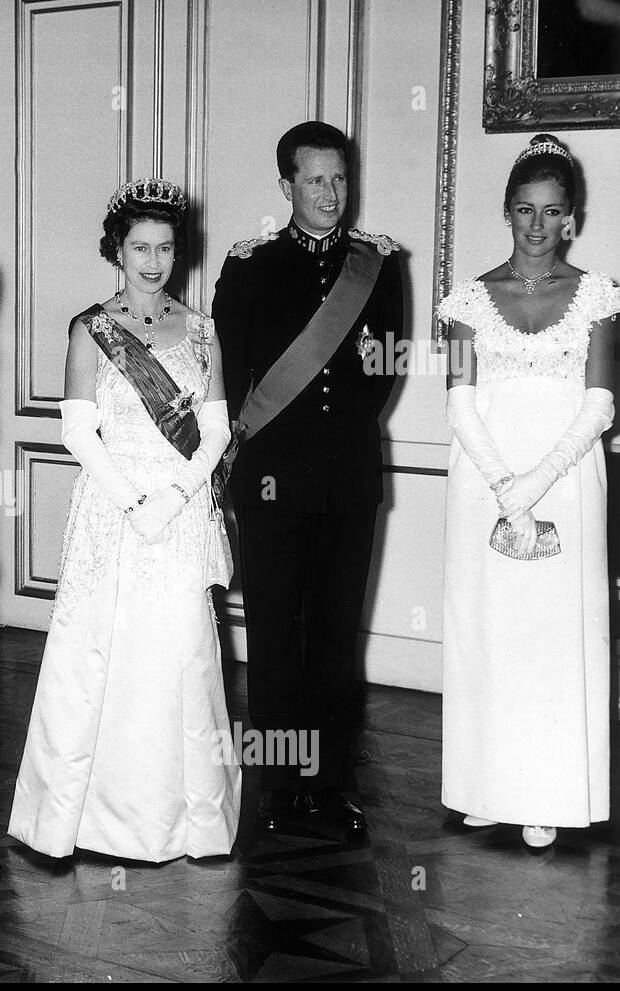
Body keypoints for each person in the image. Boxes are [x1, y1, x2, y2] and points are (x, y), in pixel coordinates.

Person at [8, 178, 241, 862]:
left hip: (179, 505)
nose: (153, 260)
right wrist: (134, 502)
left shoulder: (200, 330)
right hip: (112, 512)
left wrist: (174, 496)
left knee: (178, 656)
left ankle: (187, 822)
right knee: (96, 656)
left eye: (166, 247)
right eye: (140, 246)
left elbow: (220, 428)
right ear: (116, 248)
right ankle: (76, 821)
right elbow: (79, 432)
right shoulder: (90, 328)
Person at [212, 121, 402, 836]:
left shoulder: (379, 265)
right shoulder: (251, 263)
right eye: (315, 179)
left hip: (349, 479)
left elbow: (383, 370)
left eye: (340, 178)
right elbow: (229, 379)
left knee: (332, 639)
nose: (330, 194)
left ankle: (327, 784)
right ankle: (280, 787)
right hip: (270, 479)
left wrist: (331, 444)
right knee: (273, 634)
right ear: (286, 184)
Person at [438, 134, 616, 849]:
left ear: (570, 217)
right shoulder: (464, 301)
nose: (537, 226)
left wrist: (538, 482)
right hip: (485, 480)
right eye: (524, 210)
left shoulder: (600, 296)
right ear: (506, 212)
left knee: (550, 636)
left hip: (568, 481)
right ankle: (486, 784)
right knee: (488, 629)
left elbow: (600, 402)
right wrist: (505, 486)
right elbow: (457, 401)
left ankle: (547, 789)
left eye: (552, 212)